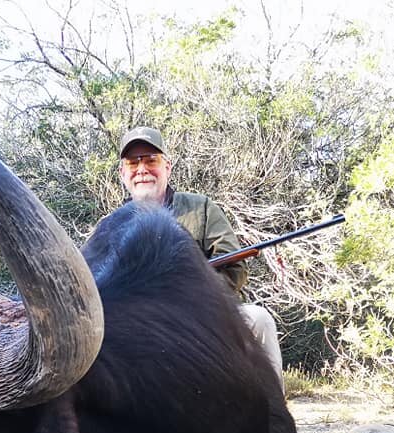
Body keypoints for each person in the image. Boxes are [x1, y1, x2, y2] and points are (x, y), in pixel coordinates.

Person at [116, 126, 284, 386]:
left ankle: (275, 422)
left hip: (205, 317)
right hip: (140, 331)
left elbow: (234, 268)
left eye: (151, 160)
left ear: (167, 167)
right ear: (122, 173)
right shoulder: (110, 227)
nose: (142, 169)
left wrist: (192, 294)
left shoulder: (201, 208)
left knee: (259, 320)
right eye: (133, 163)